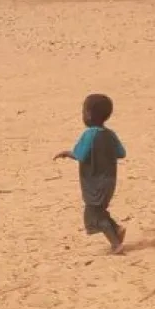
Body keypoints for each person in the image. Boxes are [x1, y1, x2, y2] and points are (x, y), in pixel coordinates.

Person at [55, 94, 128, 253]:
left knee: (93, 215)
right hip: (109, 181)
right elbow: (121, 153)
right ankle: (117, 228)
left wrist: (68, 153)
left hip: (94, 184)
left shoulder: (89, 134)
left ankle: (116, 243)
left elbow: (80, 155)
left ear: (88, 114)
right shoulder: (110, 134)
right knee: (99, 210)